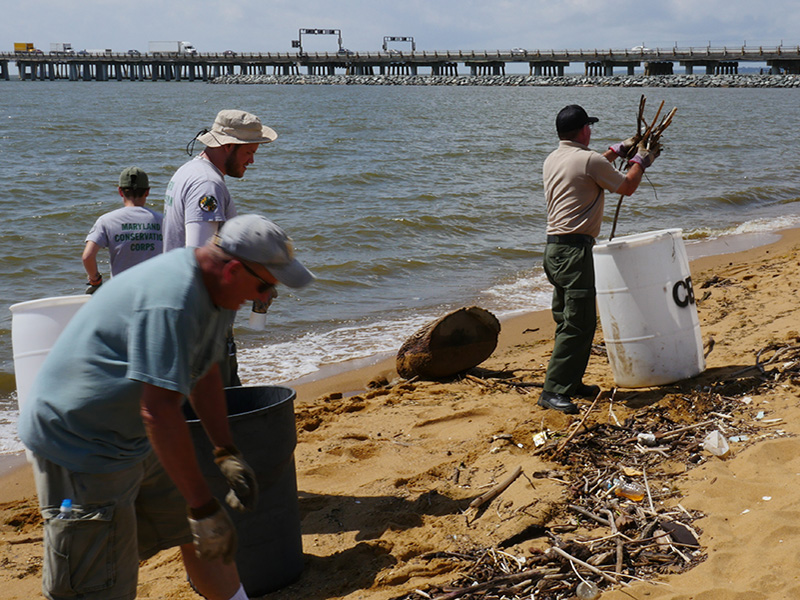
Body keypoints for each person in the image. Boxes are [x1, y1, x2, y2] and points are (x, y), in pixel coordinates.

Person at [18, 214, 314, 600]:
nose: (263, 297)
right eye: (264, 285)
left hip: (133, 435)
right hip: (80, 444)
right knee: (96, 582)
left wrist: (225, 450)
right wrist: (202, 504)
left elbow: (203, 370)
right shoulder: (173, 302)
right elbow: (158, 412)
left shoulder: (218, 289)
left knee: (206, 538)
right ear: (234, 269)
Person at [539, 104, 659, 414]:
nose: (590, 131)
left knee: (568, 319)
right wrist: (641, 161)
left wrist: (618, 151)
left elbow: (592, 167)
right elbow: (627, 186)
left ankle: (570, 382)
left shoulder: (554, 158)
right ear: (583, 131)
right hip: (575, 251)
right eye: (588, 127)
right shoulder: (588, 160)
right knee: (579, 324)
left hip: (555, 250)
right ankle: (553, 391)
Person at [163, 109, 278, 387]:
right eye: (249, 152)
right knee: (225, 402)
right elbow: (200, 259)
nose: (253, 160)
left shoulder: (189, 170)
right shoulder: (207, 184)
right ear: (227, 146)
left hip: (181, 310)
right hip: (200, 318)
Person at [82, 166, 163, 293]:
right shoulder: (163, 220)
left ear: (120, 191)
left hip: (121, 294)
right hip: (155, 292)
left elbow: (87, 256)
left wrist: (95, 280)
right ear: (147, 192)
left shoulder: (107, 221)